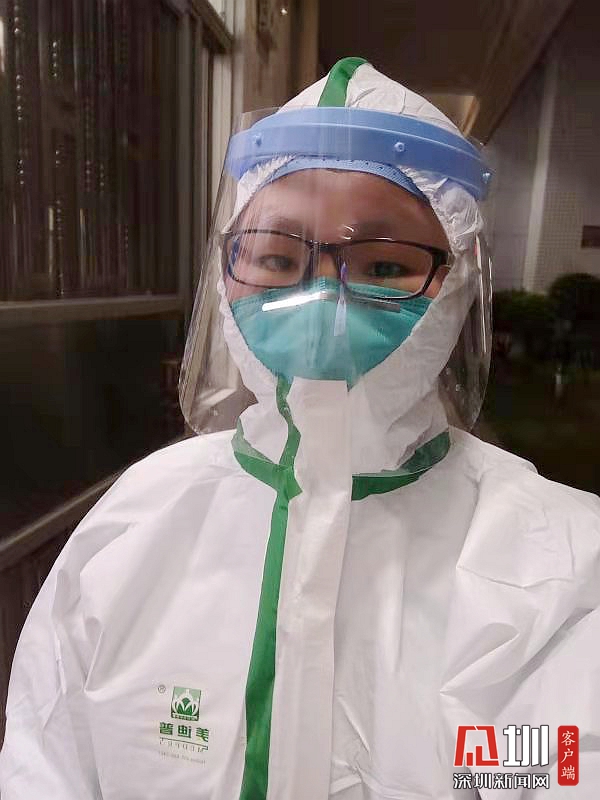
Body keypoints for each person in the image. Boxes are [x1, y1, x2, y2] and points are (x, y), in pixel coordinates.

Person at [2, 57, 600, 800]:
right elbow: (47, 760)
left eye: (383, 267)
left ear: (460, 287)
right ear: (227, 275)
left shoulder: (554, 563)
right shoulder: (140, 520)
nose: (322, 302)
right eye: (278, 258)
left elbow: (557, 768)